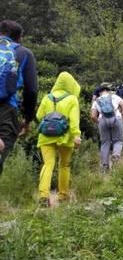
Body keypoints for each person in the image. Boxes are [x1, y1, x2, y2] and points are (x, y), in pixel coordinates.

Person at [35, 71, 81, 207]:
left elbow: (39, 116)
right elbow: (74, 120)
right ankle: (63, 196)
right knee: (64, 165)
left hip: (46, 136)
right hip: (65, 137)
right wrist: (76, 135)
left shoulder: (46, 97)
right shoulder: (72, 99)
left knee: (48, 164)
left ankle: (43, 195)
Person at [0, 20, 38, 175]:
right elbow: (31, 90)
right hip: (6, 110)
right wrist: (27, 119)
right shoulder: (23, 53)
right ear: (19, 38)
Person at [91, 84, 123, 171]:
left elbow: (93, 116)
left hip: (102, 120)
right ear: (108, 91)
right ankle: (115, 155)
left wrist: (99, 122)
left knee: (105, 143)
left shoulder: (96, 101)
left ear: (99, 93)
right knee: (118, 141)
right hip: (116, 118)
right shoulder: (114, 96)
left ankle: (105, 166)